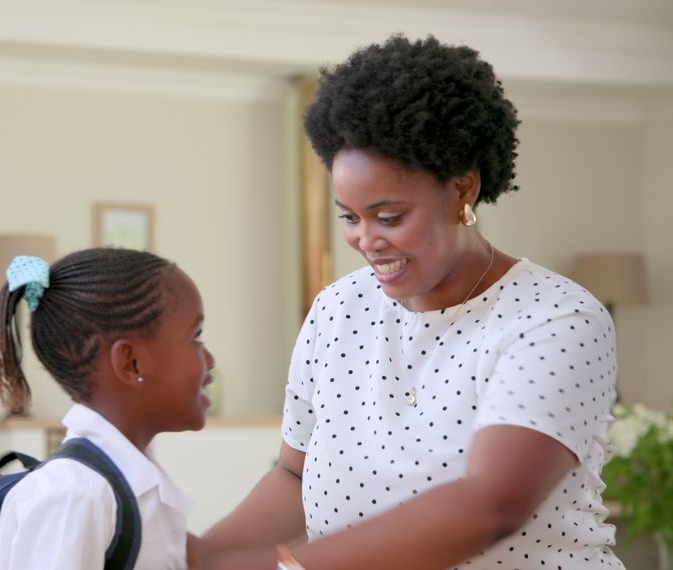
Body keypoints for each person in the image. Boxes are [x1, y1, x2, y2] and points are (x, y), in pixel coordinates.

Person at [193, 35, 623, 569]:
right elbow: (294, 477)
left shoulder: (557, 318)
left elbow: (493, 504)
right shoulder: (337, 310)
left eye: (389, 216)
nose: (366, 240)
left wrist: (286, 567)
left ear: (463, 189)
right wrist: (198, 555)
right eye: (349, 216)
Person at [0, 247, 215, 569]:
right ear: (131, 362)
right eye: (196, 336)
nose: (210, 361)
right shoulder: (74, 496)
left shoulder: (132, 484)